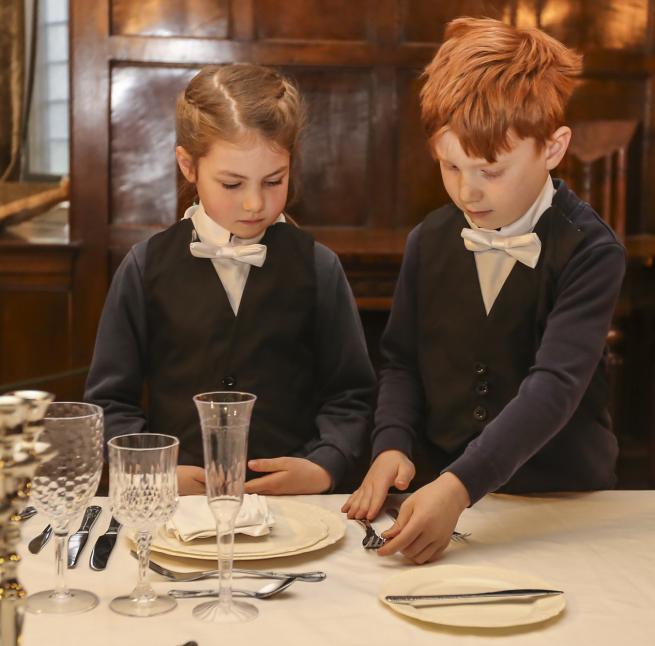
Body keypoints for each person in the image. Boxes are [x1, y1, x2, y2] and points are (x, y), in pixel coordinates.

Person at [343, 17, 626, 563]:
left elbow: (555, 388)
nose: (468, 191)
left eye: (491, 171)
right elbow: (401, 361)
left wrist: (460, 486)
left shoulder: (591, 250)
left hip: (562, 501)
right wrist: (392, 442)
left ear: (553, 147)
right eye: (450, 166)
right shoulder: (428, 239)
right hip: (444, 490)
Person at [86, 63, 376, 495]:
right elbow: (109, 401)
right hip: (177, 504)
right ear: (188, 166)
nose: (255, 203)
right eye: (232, 183)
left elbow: (351, 394)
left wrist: (324, 464)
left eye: (274, 180)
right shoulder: (144, 266)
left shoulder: (319, 267)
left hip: (293, 506)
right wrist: (152, 470)